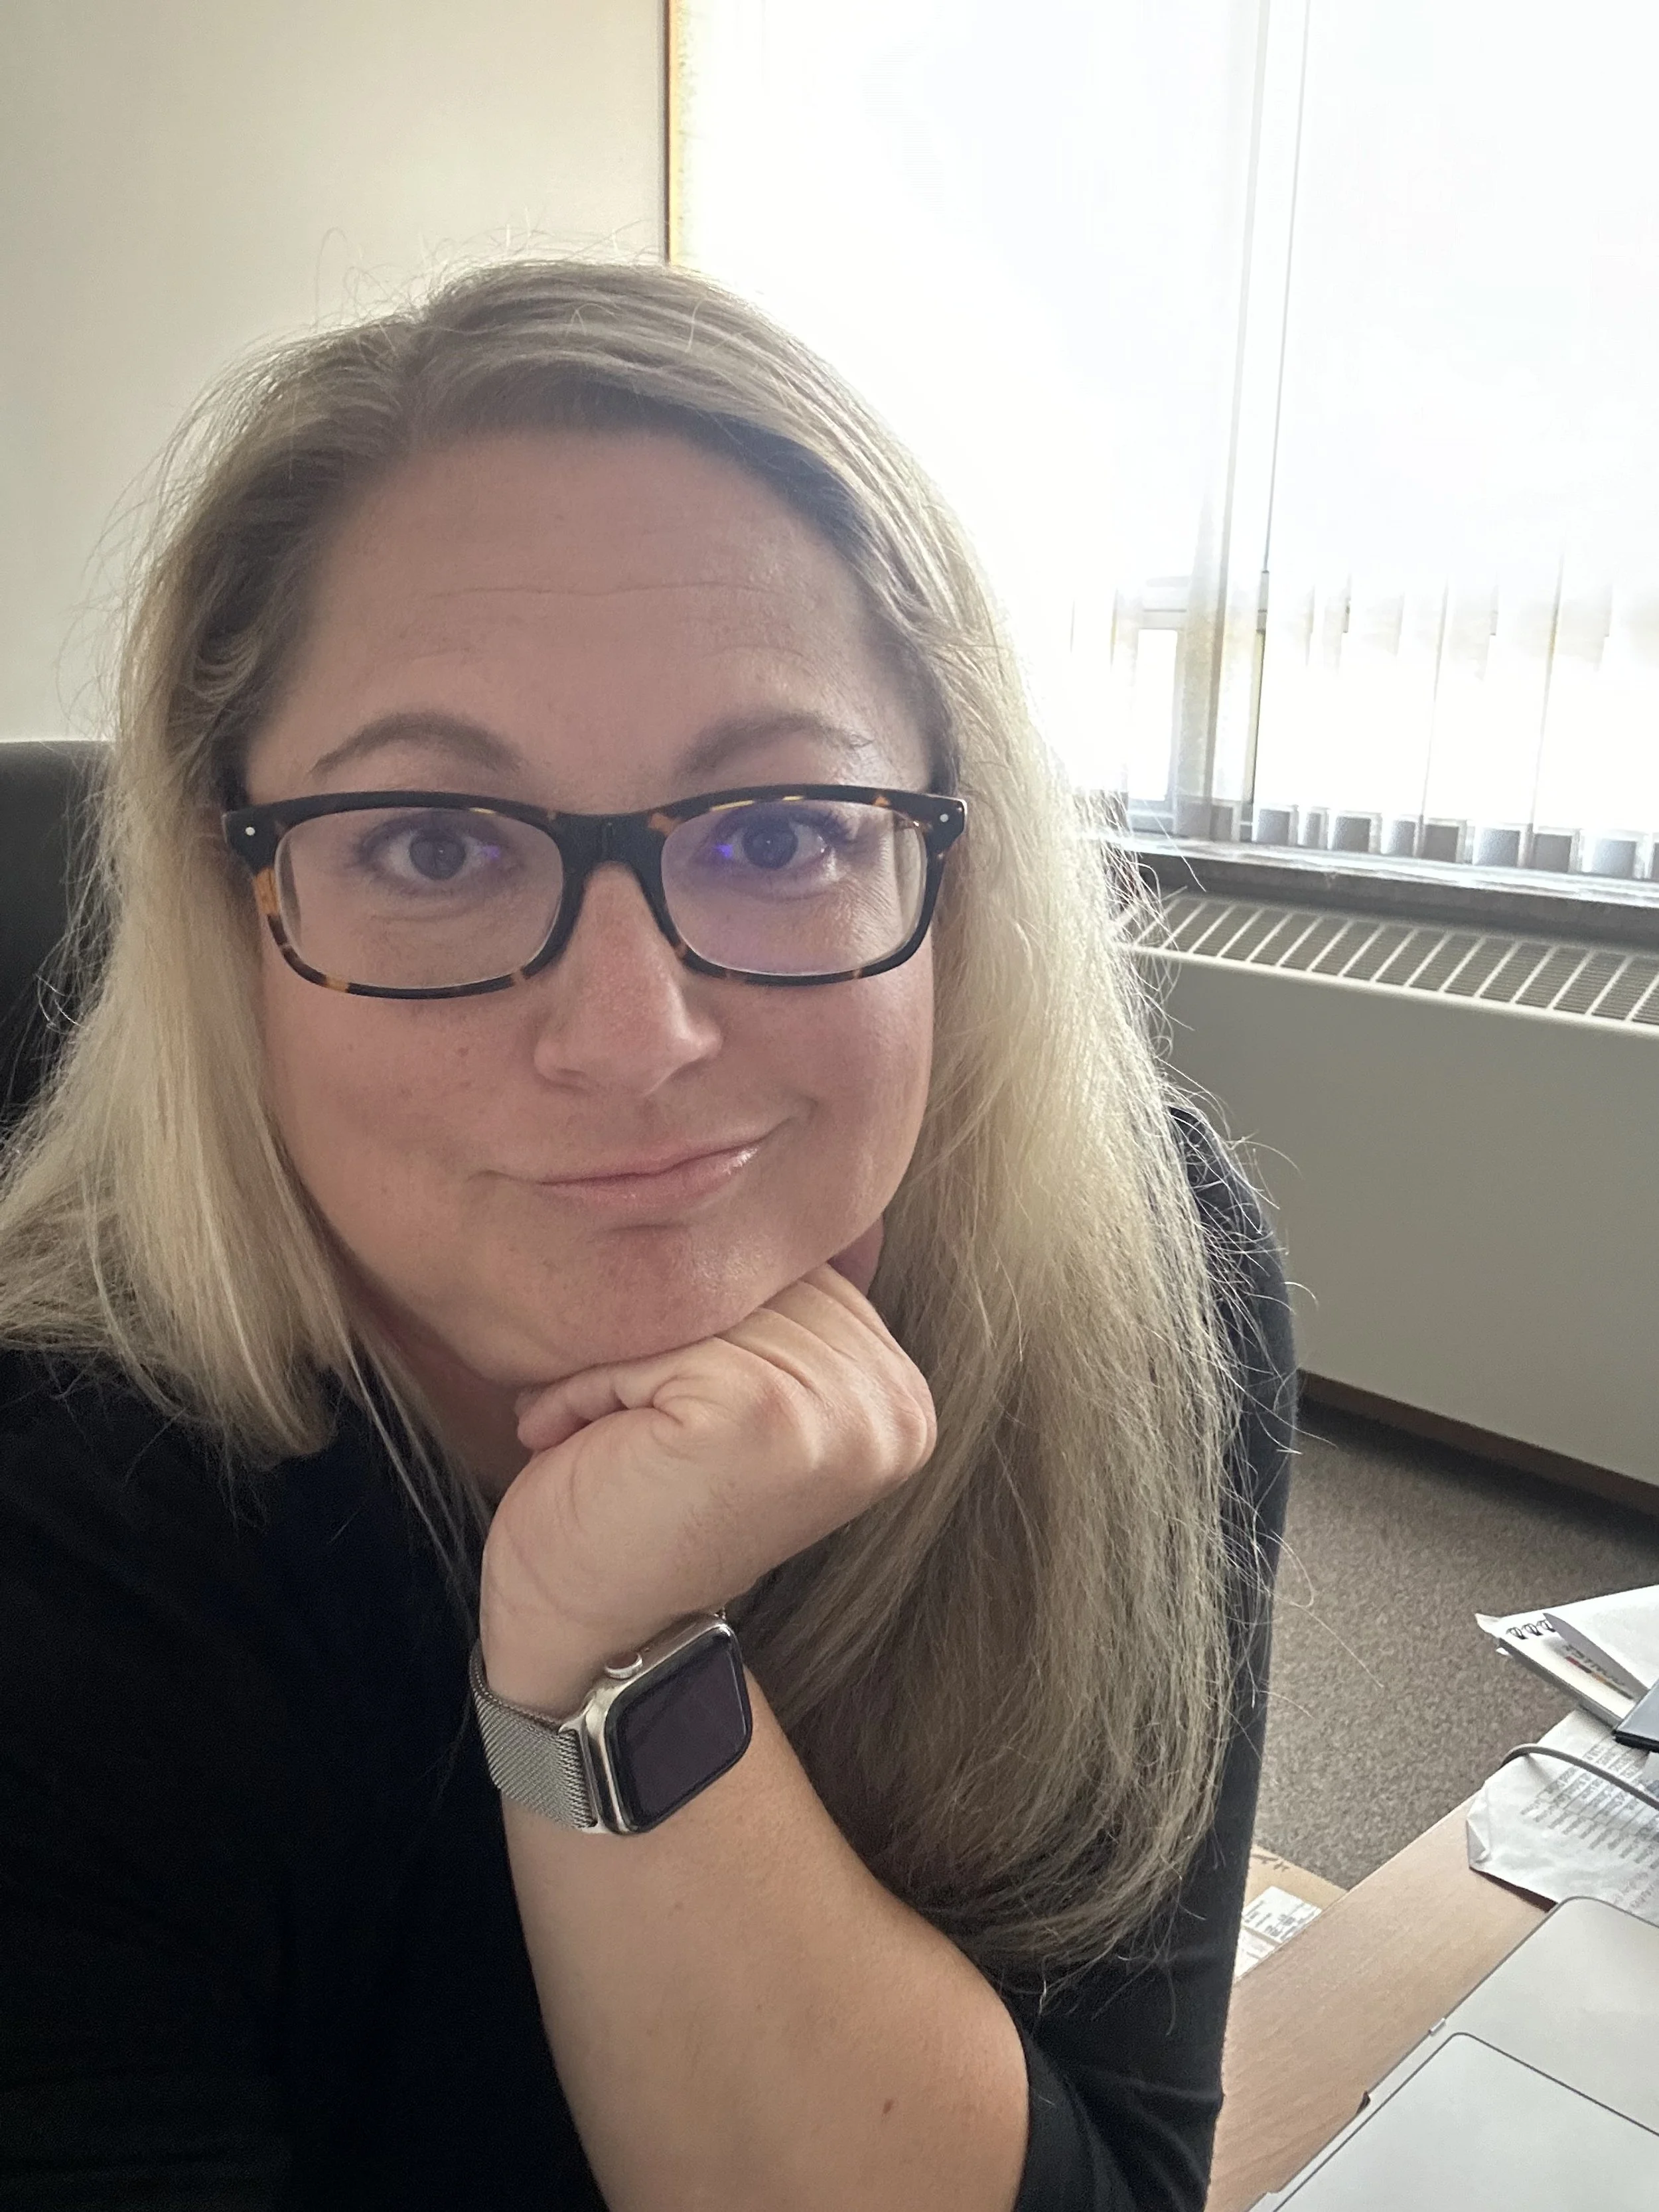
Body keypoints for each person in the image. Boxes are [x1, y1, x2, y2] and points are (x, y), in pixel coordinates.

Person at [0, 259, 1292, 2211]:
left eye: (776, 829)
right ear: (219, 895)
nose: (631, 1038)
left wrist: (610, 1664)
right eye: (434, 843)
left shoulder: (1140, 1281)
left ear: (953, 863)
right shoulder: (55, 1503)